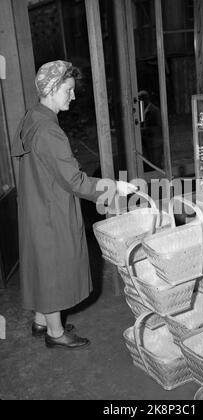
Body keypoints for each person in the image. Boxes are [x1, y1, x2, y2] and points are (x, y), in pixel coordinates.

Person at [11, 60, 135, 350]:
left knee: (43, 265)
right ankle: (55, 333)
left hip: (36, 204)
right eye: (68, 90)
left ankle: (42, 319)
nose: (73, 96)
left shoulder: (33, 117)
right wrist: (114, 186)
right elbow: (76, 182)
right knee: (54, 268)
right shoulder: (49, 131)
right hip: (51, 209)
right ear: (53, 89)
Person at [138, 90, 164, 170]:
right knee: (150, 165)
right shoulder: (143, 111)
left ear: (145, 99)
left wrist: (143, 130)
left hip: (156, 142)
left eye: (140, 100)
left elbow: (159, 128)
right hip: (148, 143)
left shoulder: (154, 110)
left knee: (156, 166)